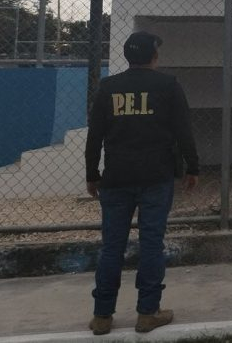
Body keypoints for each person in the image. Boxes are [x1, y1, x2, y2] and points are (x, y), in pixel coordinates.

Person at [85, 31, 199, 335]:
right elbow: (183, 130)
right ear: (154, 56)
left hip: (117, 176)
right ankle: (148, 312)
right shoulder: (168, 86)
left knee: (112, 246)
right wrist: (193, 166)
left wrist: (91, 174)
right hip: (156, 176)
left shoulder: (109, 88)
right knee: (151, 243)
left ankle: (102, 316)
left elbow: (94, 134)